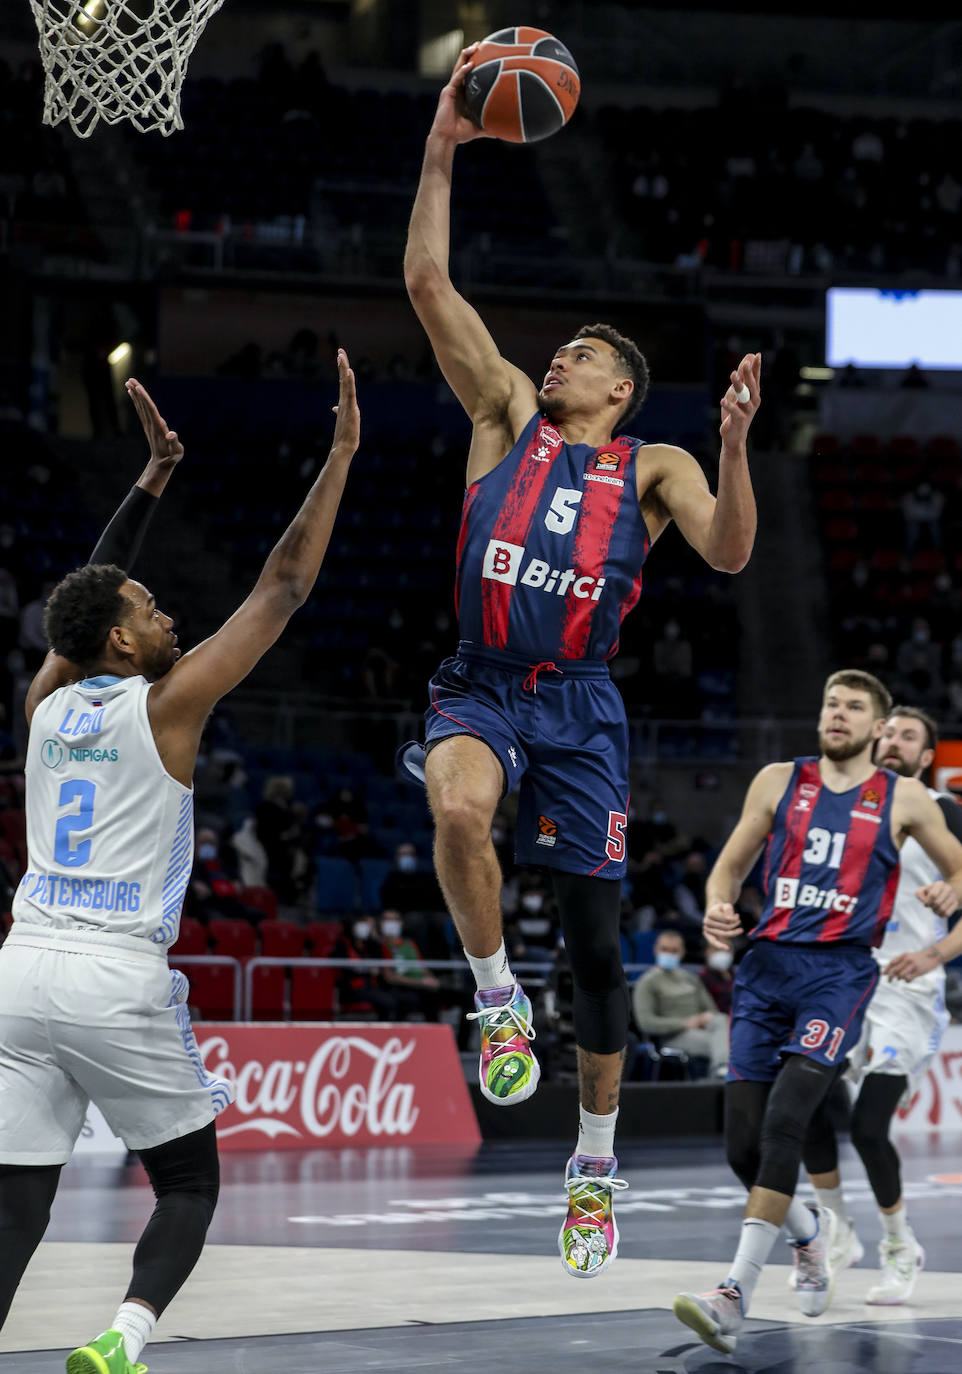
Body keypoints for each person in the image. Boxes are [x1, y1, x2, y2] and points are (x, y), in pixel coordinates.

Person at [402, 43, 760, 1279]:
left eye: (582, 356)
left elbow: (722, 551)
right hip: (480, 681)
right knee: (455, 814)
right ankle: (496, 995)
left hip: (583, 709)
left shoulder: (649, 465)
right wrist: (444, 146)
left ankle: (592, 1165)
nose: (556, 358)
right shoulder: (501, 411)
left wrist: (733, 441)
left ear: (621, 387)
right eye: (556, 351)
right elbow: (429, 279)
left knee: (601, 954)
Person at [0, 352, 359, 1373]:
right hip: (113, 972)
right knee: (191, 1182)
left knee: (19, 1194)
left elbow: (80, 601)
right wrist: (337, 454)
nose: (170, 619)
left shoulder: (45, 704)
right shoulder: (167, 705)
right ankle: (124, 1337)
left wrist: (152, 478)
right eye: (154, 611)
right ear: (122, 639)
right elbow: (283, 585)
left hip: (19, 973)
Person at [672, 670, 962, 1355]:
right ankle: (810, 1231)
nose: (839, 715)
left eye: (856, 708)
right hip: (766, 970)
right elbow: (729, 866)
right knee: (744, 1145)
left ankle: (733, 1295)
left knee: (799, 1122)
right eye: (831, 702)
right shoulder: (779, 779)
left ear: (878, 725)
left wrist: (945, 933)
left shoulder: (910, 800)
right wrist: (719, 903)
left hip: (844, 977)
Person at [801, 705, 962, 1304]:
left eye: (908, 737)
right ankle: (837, 1228)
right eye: (887, 731)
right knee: (806, 1104)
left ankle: (900, 1245)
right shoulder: (846, 806)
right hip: (840, 981)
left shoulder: (944, 813)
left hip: (905, 990)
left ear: (926, 758)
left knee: (869, 1127)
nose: (893, 741)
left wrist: (935, 954)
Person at [631, 929, 728, 1077]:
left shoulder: (691, 979)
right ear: (656, 950)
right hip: (673, 1036)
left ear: (682, 953)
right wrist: (684, 1023)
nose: (669, 954)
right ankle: (719, 1075)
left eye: (674, 950)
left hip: (701, 1029)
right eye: (665, 949)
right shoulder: (646, 983)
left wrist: (702, 1019)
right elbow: (646, 1023)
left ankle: (721, 1072)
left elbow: (711, 1011)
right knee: (720, 1045)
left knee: (721, 1020)